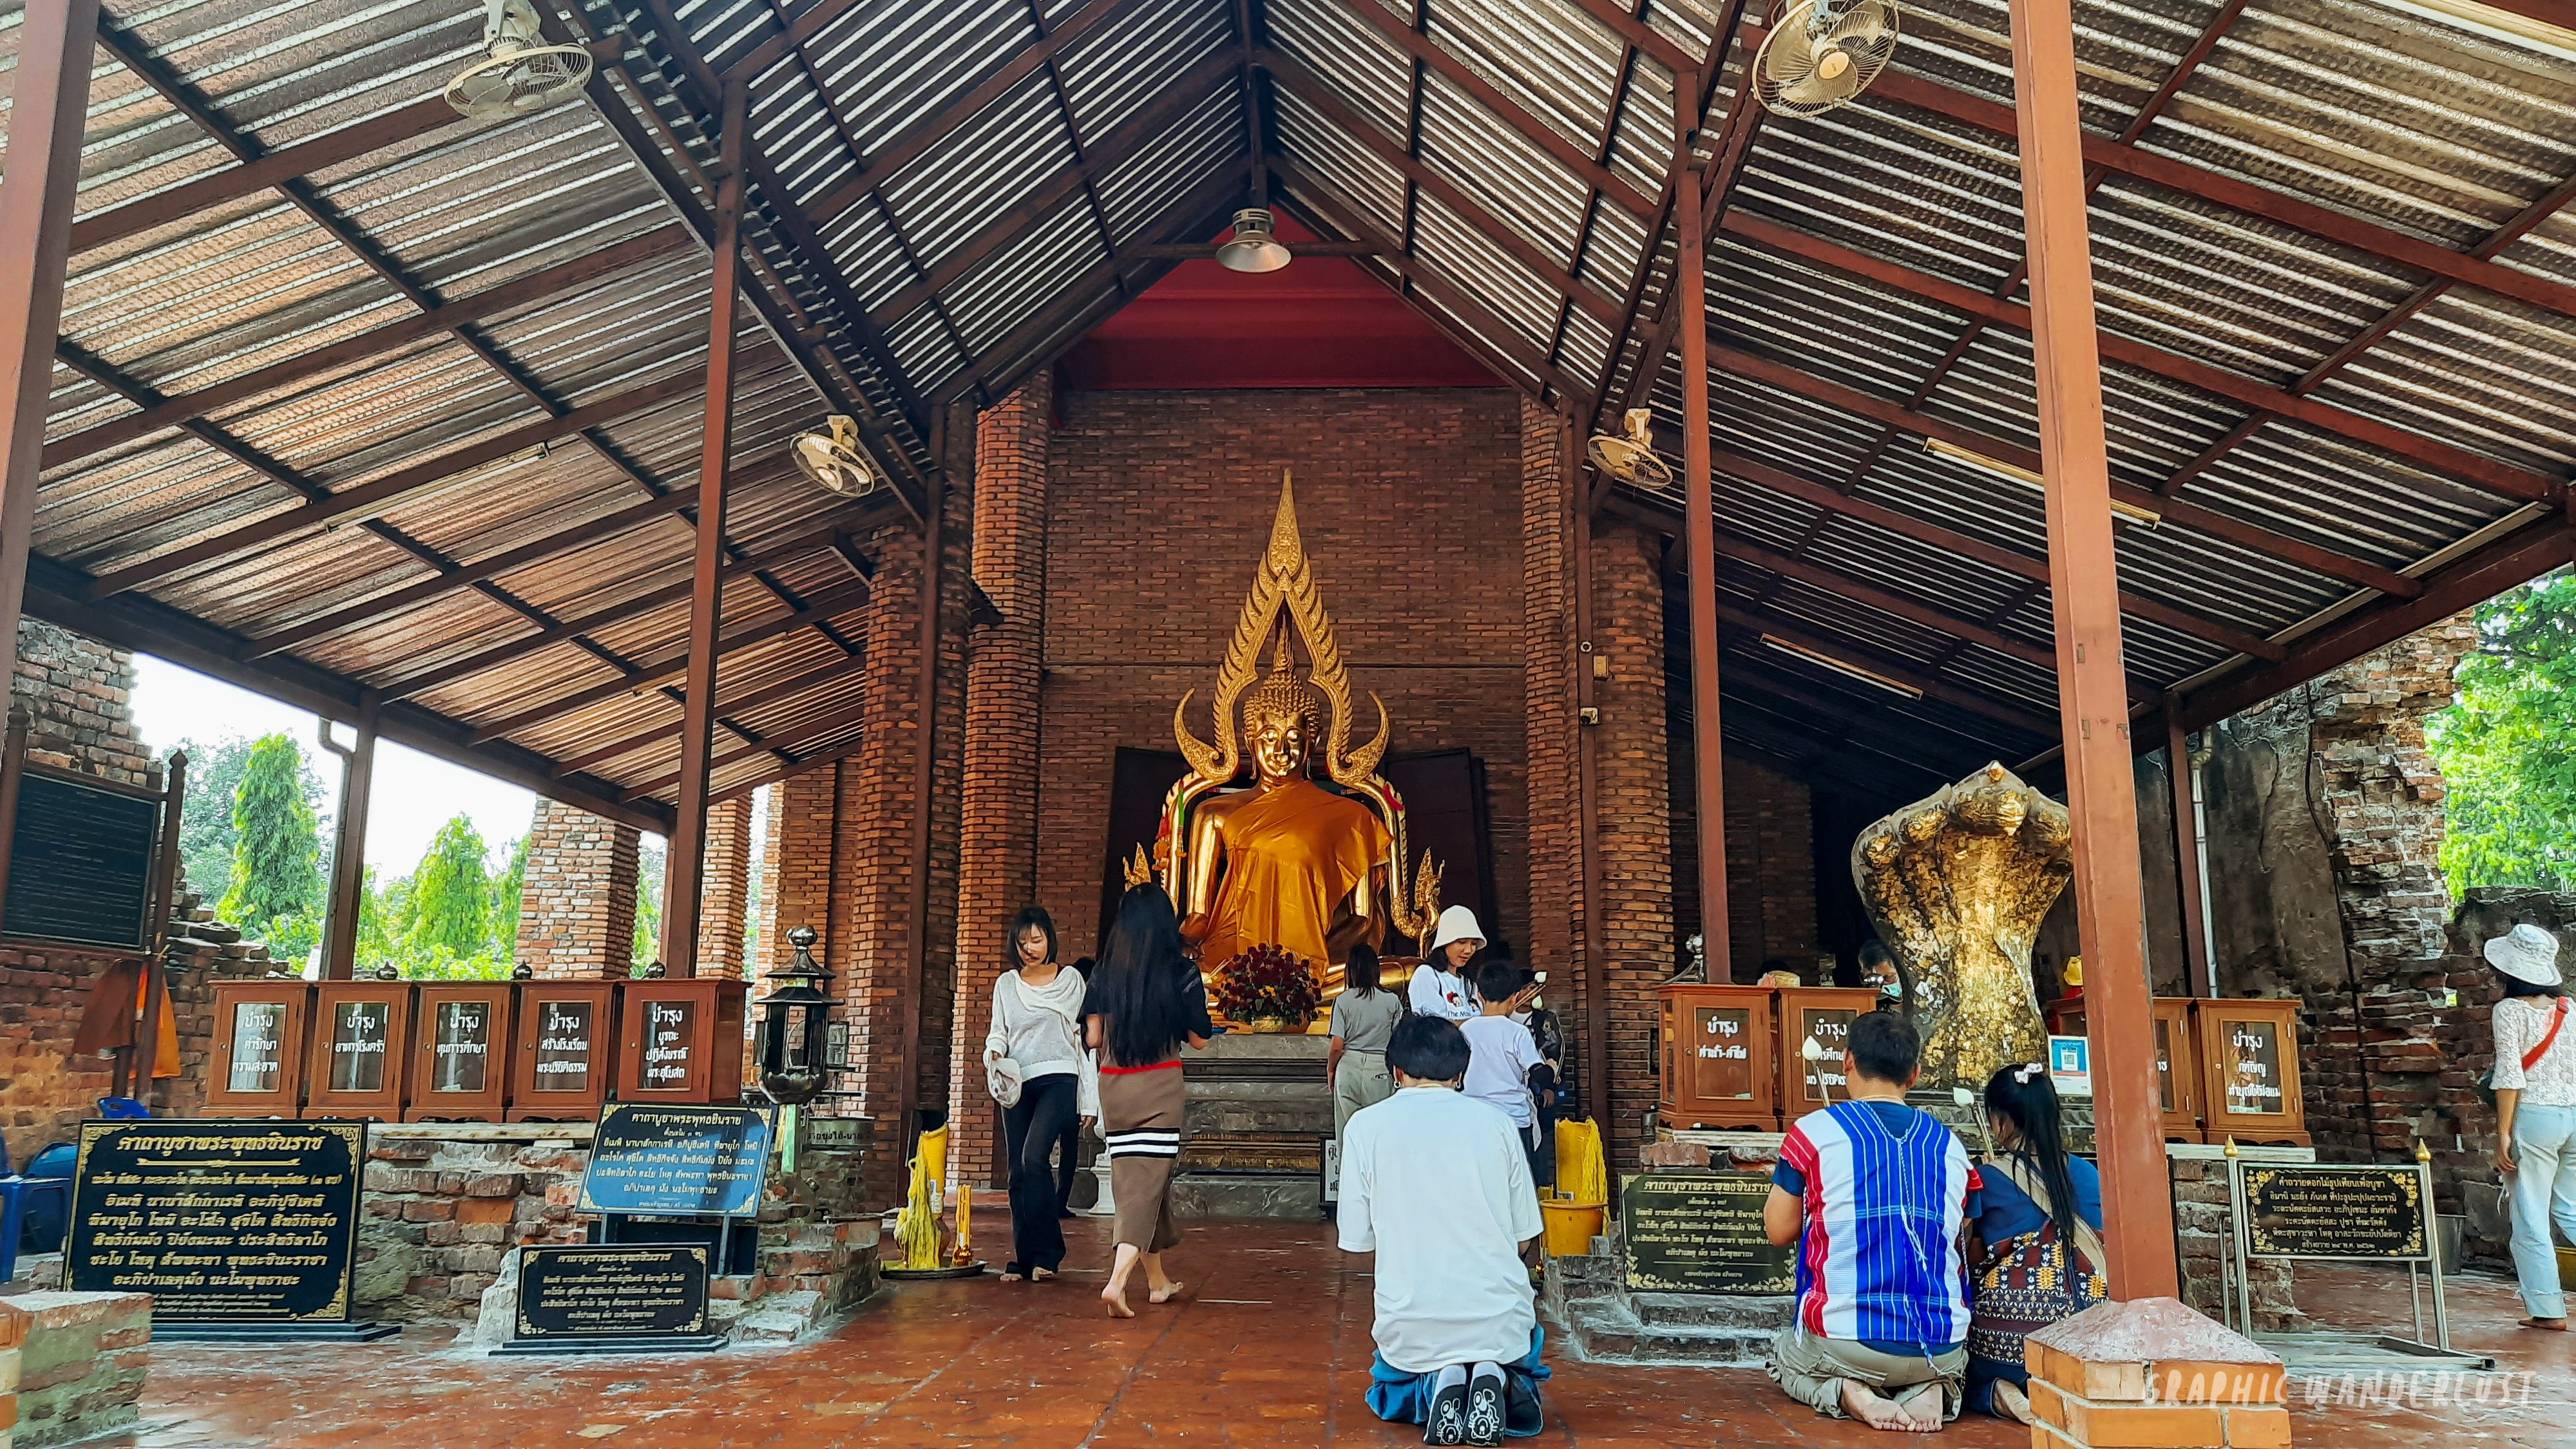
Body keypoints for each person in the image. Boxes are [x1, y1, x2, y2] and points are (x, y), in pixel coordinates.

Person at [1763, 1009, 1978, 1433]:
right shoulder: (1950, 1145)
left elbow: (1777, 1231)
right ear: (1913, 1074)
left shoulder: (1813, 1132)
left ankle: (1847, 1391)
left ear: (1846, 1061)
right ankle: (1931, 1386)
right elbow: (1959, 1238)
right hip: (1941, 1345)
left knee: (1783, 1356)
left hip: (1847, 1343)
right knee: (1936, 1362)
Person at [1340, 1015, 1550, 1444]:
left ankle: (1439, 1382)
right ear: (1460, 1073)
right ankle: (1493, 1373)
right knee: (1516, 1348)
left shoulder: (1364, 1126)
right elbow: (1525, 1236)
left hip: (1410, 1322)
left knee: (1391, 1383)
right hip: (1497, 1319)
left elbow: (1357, 1238)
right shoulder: (1497, 1123)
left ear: (1396, 1071)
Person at [1084, 883, 1212, 1318]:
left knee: (1139, 1183)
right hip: (1158, 1086)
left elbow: (1093, 1037)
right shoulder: (1181, 972)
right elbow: (1198, 1040)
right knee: (1143, 1185)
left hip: (1115, 1087)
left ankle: (1158, 1282)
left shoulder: (1104, 971)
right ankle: (1117, 1281)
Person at [1963, 1063, 2104, 1421]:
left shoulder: (1987, 1178)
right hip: (2086, 1346)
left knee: (1952, 1368)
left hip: (2012, 1350)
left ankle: (1996, 1390)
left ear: (2000, 1119)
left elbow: (1969, 1258)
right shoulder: (2091, 1175)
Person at [980, 906, 1096, 1283]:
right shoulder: (1007, 984)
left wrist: (1089, 1098)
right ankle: (1025, 1258)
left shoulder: (1072, 981)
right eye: (1023, 941)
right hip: (1017, 1082)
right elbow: (1000, 1031)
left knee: (1034, 1158)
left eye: (1037, 939)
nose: (1030, 948)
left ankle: (1050, 1251)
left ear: (1050, 938)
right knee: (1017, 1172)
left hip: (1060, 1078)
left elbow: (1084, 1042)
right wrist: (994, 1053)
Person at [2486, 923, 2576, 1331]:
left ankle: (2546, 1309)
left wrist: (2503, 1131)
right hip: (2573, 1114)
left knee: (2530, 1213)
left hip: (2536, 1118)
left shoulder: (2509, 1010)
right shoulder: (2569, 1008)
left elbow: (2509, 1075)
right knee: (2572, 1210)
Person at [1461, 960, 1545, 1183]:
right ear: (1516, 997)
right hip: (1513, 1122)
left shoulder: (1465, 1029)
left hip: (1473, 1121)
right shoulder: (1518, 1032)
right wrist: (1551, 1071)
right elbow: (1538, 1073)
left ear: (1479, 995)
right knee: (1519, 1188)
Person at [1330, 943, 1403, 1144]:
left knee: (1347, 1133)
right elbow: (1398, 1042)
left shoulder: (1343, 1000)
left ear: (1350, 970)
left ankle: (1349, 1173)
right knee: (1379, 1131)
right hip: (1379, 1066)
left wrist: (1331, 1070)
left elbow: (1337, 1045)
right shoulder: (1392, 1001)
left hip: (1348, 1066)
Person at [1056, 955, 1098, 1217]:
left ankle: (1059, 1201)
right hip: (1068, 1083)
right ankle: (1058, 1201)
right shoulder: (1075, 1009)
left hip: (1071, 1084)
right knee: (1067, 1147)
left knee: (1068, 1147)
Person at [1411, 905, 1484, 1021]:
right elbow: (1435, 1025)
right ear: (1445, 942)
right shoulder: (1426, 974)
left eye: (1474, 944)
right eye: (1462, 942)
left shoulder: (1469, 983)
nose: (1469, 950)